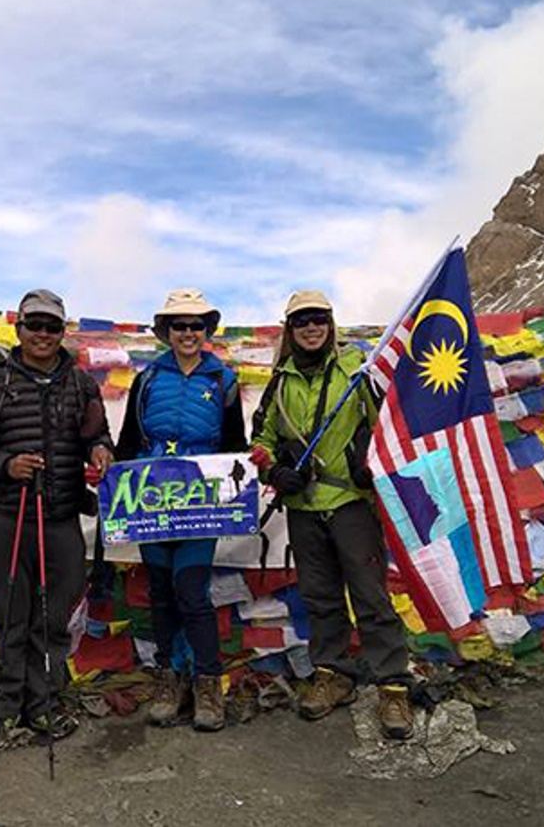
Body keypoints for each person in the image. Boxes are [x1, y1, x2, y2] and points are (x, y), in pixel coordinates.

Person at [250, 290, 415, 740]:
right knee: (319, 596)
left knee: (370, 595)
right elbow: (260, 437)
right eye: (301, 320)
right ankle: (333, 673)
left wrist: (370, 465)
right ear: (290, 328)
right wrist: (275, 469)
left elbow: (388, 425)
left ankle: (393, 683)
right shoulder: (279, 381)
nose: (310, 327)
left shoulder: (357, 371)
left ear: (331, 322)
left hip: (350, 505)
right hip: (303, 508)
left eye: (318, 318)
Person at [0, 288, 114, 749]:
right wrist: (7, 465)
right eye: (35, 325)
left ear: (61, 332)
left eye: (52, 327)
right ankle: (4, 710)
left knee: (52, 621)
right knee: (7, 619)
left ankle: (44, 706)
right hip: (9, 517)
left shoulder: (83, 384)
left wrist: (101, 451)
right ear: (19, 329)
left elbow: (97, 434)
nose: (43, 334)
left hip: (63, 519)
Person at [115, 288, 246, 732]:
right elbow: (129, 441)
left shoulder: (223, 381)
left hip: (200, 505)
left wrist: (242, 484)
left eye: (196, 325)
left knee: (192, 590)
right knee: (161, 591)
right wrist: (111, 478)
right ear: (166, 332)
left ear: (207, 330)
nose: (188, 333)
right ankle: (169, 680)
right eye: (179, 325)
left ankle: (208, 682)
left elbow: (235, 446)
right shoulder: (148, 379)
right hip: (152, 502)